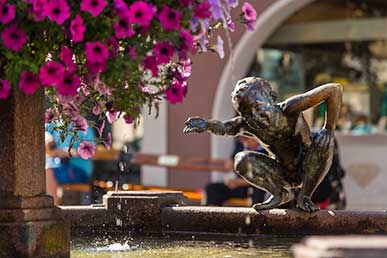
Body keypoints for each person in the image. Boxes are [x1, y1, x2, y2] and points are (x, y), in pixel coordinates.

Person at [184, 77, 343, 212]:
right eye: (248, 115)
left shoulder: (289, 109)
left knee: (326, 139)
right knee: (241, 159)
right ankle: (279, 193)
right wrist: (206, 125)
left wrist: (329, 127)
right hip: (283, 172)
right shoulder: (248, 125)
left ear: (271, 98)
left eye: (259, 108)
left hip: (308, 165)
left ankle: (305, 195)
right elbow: (225, 128)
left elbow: (334, 90)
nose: (256, 118)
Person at [203, 136, 266, 206]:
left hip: (255, 186)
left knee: (257, 190)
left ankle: (256, 215)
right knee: (212, 189)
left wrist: (239, 182)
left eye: (246, 139)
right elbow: (231, 162)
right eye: (242, 140)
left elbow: (263, 178)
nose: (245, 143)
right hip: (239, 185)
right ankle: (211, 214)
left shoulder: (265, 151)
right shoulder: (241, 145)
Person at [45, 124, 95, 205]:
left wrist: (70, 153)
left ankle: (52, 210)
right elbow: (44, 133)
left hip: (79, 169)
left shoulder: (83, 125)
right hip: (58, 167)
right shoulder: (54, 123)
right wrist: (47, 137)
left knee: (48, 172)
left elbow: (92, 151)